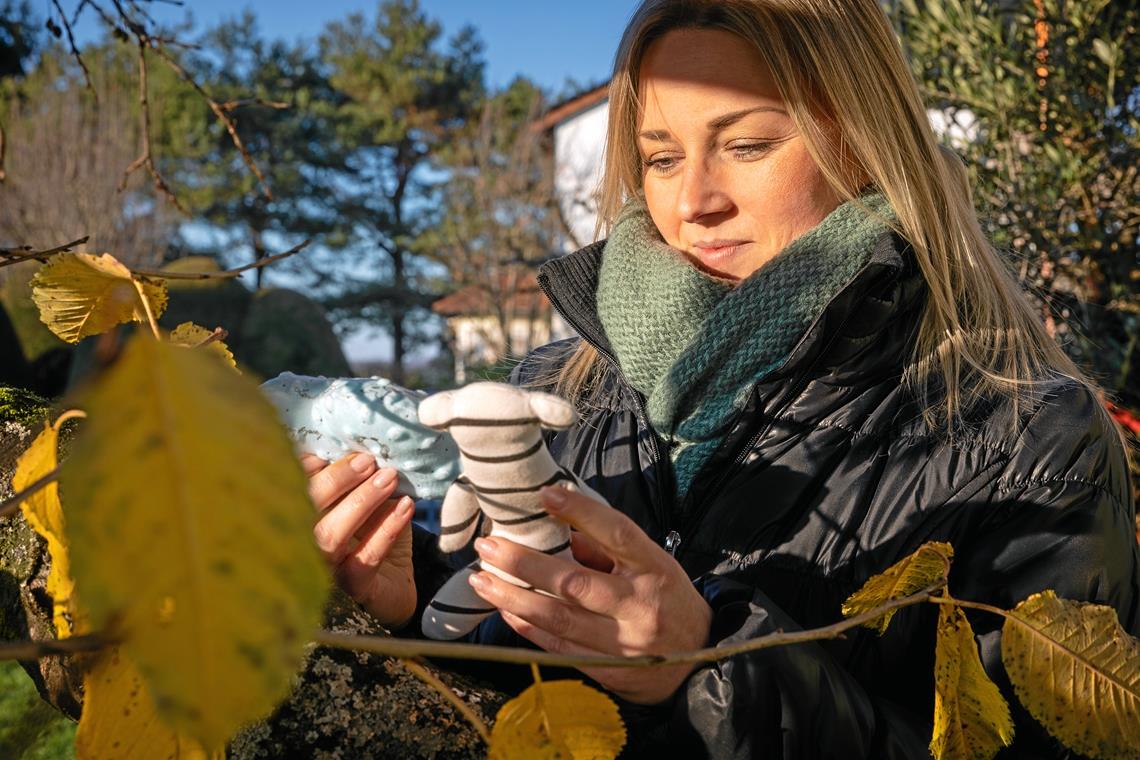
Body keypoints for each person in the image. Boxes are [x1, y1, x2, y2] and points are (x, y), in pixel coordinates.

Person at [301, 0, 1140, 757]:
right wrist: (405, 607)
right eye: (660, 158)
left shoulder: (1031, 438)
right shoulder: (560, 390)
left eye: (745, 145)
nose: (693, 200)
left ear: (863, 139)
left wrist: (707, 667)